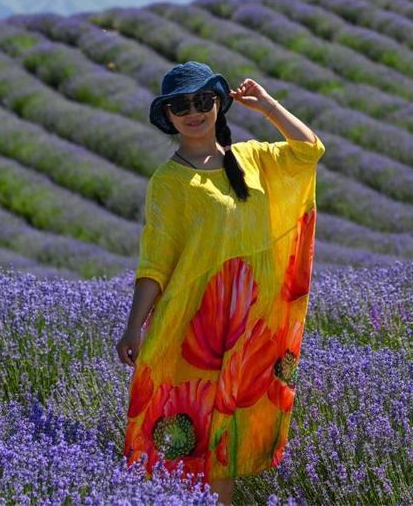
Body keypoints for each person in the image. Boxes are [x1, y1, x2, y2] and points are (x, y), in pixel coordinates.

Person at [115, 61, 325, 505]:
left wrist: (267, 106)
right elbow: (155, 261)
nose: (193, 112)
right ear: (167, 117)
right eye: (181, 106)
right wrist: (134, 326)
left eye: (203, 101)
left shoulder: (252, 158)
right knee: (193, 440)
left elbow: (309, 150)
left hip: (248, 327)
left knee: (222, 445)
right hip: (192, 329)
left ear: (218, 103)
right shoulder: (168, 182)